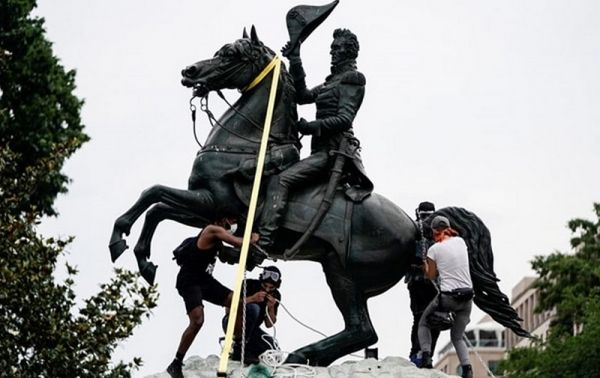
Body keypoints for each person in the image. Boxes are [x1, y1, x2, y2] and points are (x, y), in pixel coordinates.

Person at [257, 28, 373, 253]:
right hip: (319, 151)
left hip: (333, 153)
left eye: (337, 49)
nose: (333, 53)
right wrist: (295, 58)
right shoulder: (332, 82)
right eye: (332, 48)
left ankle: (264, 241)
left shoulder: (353, 79)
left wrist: (309, 127)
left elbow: (344, 118)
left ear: (349, 52)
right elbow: (303, 96)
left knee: (281, 180)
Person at [166, 218, 259, 378]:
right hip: (190, 280)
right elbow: (238, 242)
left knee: (236, 301)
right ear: (222, 219)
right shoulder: (211, 230)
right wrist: (252, 238)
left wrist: (249, 258)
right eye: (232, 221)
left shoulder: (218, 241)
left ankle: (238, 347)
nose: (233, 225)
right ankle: (176, 362)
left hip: (205, 280)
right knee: (197, 321)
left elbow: (231, 255)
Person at [418, 216, 474, 378]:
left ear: (435, 231)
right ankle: (467, 369)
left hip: (448, 298)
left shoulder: (434, 249)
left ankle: (426, 357)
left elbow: (431, 275)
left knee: (423, 323)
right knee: (457, 337)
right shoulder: (461, 242)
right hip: (467, 297)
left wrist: (424, 265)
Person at [222, 266, 282, 363]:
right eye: (264, 286)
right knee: (254, 308)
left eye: (271, 288)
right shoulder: (248, 284)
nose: (267, 290)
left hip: (252, 331)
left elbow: (269, 324)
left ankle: (250, 352)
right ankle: (239, 347)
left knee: (273, 347)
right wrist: (252, 299)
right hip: (232, 322)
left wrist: (271, 308)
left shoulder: (276, 295)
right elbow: (229, 305)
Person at [405, 201, 440, 367]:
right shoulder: (415, 230)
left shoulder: (413, 229)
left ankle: (422, 354)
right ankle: (421, 354)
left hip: (425, 282)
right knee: (426, 318)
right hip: (423, 282)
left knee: (424, 318)